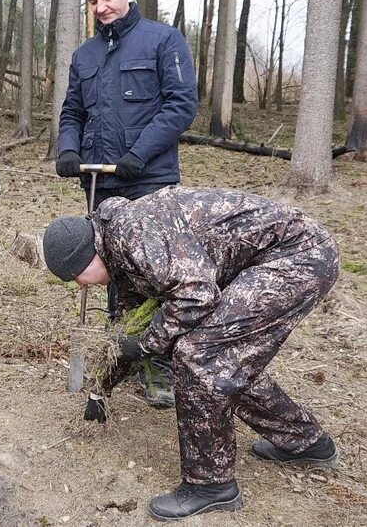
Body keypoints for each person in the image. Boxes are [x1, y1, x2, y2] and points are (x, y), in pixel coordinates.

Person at [41, 186, 341, 521]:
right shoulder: (116, 250)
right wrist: (102, 389)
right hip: (274, 259)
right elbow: (133, 329)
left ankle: (211, 485)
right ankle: (304, 441)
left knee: (198, 357)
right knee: (225, 363)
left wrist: (145, 345)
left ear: (89, 255)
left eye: (77, 276)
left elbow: (196, 296)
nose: (81, 285)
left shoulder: (136, 236)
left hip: (297, 257)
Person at [55, 0, 198, 408]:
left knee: (157, 273)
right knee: (114, 272)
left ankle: (160, 366)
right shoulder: (85, 56)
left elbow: (180, 105)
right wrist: (68, 150)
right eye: (93, 1)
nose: (101, 7)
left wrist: (139, 154)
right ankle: (121, 354)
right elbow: (72, 112)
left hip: (150, 180)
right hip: (102, 185)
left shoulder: (163, 40)